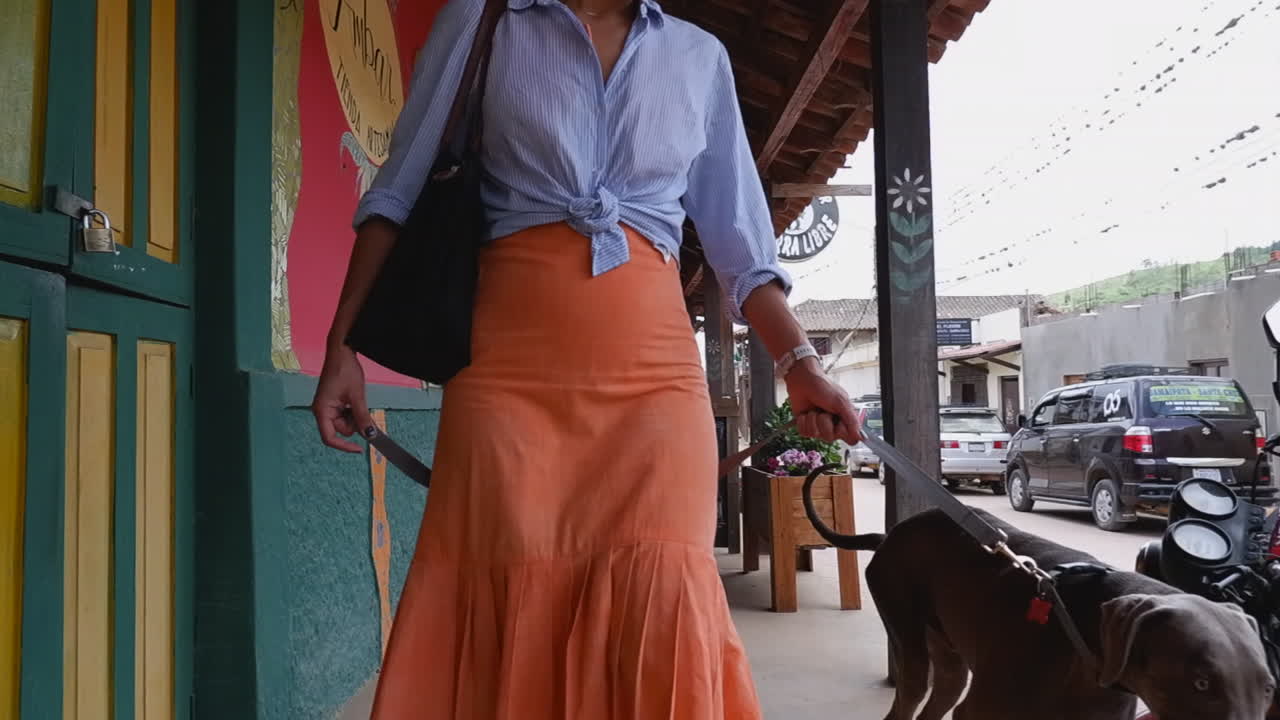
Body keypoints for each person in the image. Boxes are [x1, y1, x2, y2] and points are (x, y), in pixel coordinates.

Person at [311, 1, 861, 717]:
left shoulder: (698, 57)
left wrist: (800, 363)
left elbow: (744, 256)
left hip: (655, 381)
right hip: (506, 372)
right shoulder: (483, 23)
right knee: (506, 582)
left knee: (663, 586)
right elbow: (399, 189)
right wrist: (339, 348)